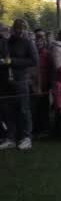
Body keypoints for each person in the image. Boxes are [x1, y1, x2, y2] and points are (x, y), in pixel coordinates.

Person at [0, 19, 38, 150]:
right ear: (13, 29)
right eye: (17, 28)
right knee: (7, 110)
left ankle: (26, 138)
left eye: (22, 28)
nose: (19, 31)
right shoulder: (7, 41)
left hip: (20, 80)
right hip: (5, 81)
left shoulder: (27, 42)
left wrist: (12, 61)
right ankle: (11, 138)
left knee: (23, 110)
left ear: (25, 29)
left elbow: (34, 61)